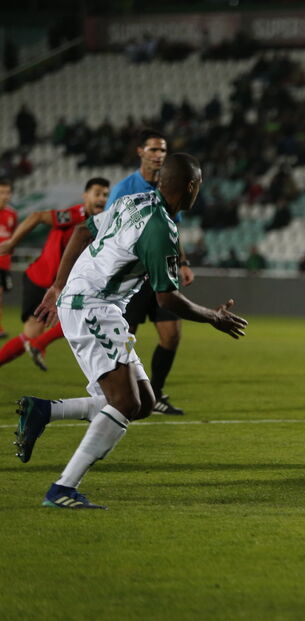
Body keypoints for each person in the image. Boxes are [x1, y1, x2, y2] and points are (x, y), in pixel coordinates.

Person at [15, 153, 247, 509]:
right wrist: (213, 317)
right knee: (124, 401)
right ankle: (62, 489)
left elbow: (81, 231)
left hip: (97, 303)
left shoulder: (134, 200)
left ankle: (44, 411)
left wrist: (58, 284)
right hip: (91, 305)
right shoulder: (161, 230)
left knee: (144, 402)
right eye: (198, 183)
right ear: (190, 186)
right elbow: (167, 298)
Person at [107, 129, 194, 415]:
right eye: (154, 150)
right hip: (131, 276)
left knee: (171, 335)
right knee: (123, 337)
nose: (159, 155)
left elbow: (173, 228)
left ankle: (155, 394)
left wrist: (182, 262)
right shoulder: (124, 189)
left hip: (158, 272)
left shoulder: (169, 187)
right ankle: (113, 393)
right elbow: (108, 230)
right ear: (140, 152)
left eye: (163, 151)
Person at [0, 177, 109, 370]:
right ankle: (39, 344)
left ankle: (38, 344)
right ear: (85, 196)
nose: (102, 198)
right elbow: (36, 216)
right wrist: (12, 242)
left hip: (60, 285)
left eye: (105, 195)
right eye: (97, 193)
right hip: (41, 280)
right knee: (75, 319)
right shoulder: (76, 215)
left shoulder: (101, 224)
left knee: (39, 331)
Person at [0, 179, 18, 338]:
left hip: (4, 262)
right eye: (1, 193)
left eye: (7, 193)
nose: (5, 196)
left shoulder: (12, 213)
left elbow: (12, 237)